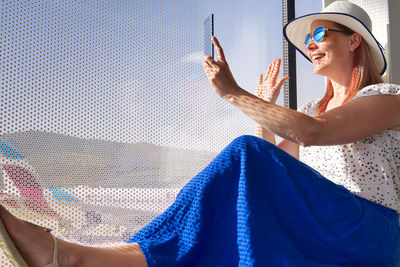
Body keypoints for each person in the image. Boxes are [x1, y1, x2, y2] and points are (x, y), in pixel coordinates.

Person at [1, 1, 400, 266]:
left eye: (319, 35)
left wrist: (234, 94)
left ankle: (95, 260)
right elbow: (273, 169)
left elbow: (314, 134)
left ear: (353, 41)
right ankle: (93, 258)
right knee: (242, 185)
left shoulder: (387, 97)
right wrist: (262, 110)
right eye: (307, 40)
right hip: (324, 223)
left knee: (243, 154)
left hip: (372, 229)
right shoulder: (311, 108)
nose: (310, 46)